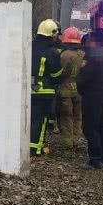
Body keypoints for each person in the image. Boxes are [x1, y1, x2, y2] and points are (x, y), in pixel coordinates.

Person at [76, 32, 103, 169]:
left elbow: (85, 77)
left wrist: (79, 83)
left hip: (93, 95)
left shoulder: (92, 56)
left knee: (91, 127)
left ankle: (95, 159)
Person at [31, 19, 63, 156]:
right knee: (42, 120)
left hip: (30, 89)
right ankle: (36, 148)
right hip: (45, 91)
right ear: (52, 34)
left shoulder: (30, 46)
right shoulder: (52, 52)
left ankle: (30, 144)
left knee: (31, 118)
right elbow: (57, 74)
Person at [56, 27, 85, 148]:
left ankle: (68, 143)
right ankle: (76, 140)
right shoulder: (82, 54)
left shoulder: (64, 55)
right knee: (77, 116)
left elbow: (59, 73)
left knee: (66, 117)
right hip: (79, 91)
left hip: (65, 91)